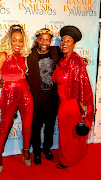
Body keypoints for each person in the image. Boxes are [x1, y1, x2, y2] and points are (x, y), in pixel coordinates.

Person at [0, 24, 33, 173]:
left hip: (25, 92)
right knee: (5, 125)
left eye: (20, 41)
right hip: (9, 93)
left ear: (24, 42)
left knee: (27, 124)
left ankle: (26, 150)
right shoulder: (3, 55)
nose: (17, 44)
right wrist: (5, 85)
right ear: (9, 40)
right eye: (15, 40)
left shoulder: (24, 55)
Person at [52, 25, 94, 168]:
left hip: (70, 103)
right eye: (62, 40)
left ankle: (67, 160)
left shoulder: (75, 61)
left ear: (74, 45)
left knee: (67, 135)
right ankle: (75, 156)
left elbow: (83, 83)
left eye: (68, 41)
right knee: (68, 134)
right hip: (62, 101)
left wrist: (82, 104)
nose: (64, 43)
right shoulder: (63, 59)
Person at [26, 28, 60, 165]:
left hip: (52, 97)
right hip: (36, 98)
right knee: (36, 127)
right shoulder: (29, 54)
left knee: (50, 126)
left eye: (47, 39)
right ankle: (37, 152)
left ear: (50, 41)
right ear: (37, 40)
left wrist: (81, 60)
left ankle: (47, 149)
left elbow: (69, 58)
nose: (44, 42)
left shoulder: (56, 51)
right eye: (42, 39)